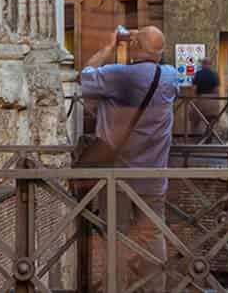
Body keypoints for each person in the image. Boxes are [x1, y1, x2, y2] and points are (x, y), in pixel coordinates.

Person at [80, 25, 182, 291]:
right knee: (152, 234)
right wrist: (144, 41)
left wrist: (110, 46)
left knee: (114, 236)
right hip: (153, 175)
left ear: (135, 47)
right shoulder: (170, 77)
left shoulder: (118, 76)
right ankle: (153, 287)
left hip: (118, 176)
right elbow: (160, 64)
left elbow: (85, 76)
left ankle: (116, 287)